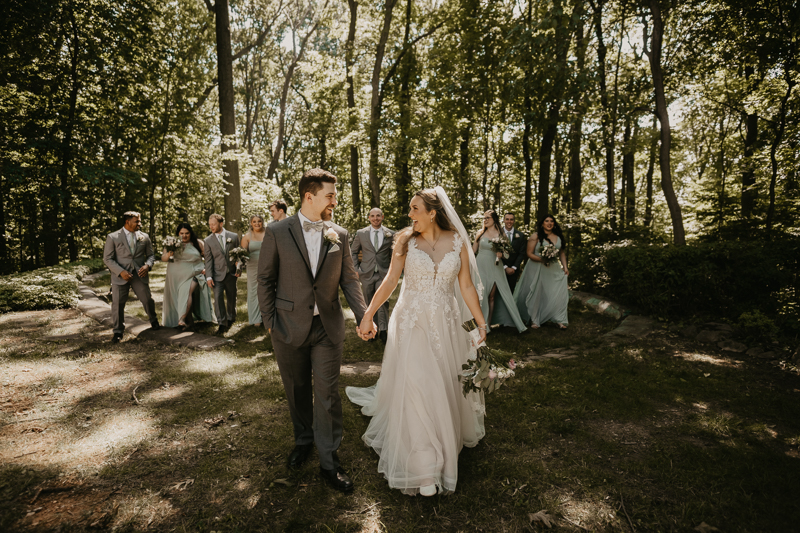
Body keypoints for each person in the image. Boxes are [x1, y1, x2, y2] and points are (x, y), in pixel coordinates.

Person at [346, 187, 488, 497]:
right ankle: (424, 465)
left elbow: (465, 286)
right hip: (411, 321)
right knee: (418, 383)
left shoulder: (458, 242)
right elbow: (390, 281)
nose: (409, 214)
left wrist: (480, 322)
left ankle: (443, 436)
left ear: (432, 212)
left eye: (414, 208)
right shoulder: (404, 241)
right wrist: (368, 314)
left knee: (444, 381)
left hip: (447, 324)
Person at [257, 168, 371, 494]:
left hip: (327, 327)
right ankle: (303, 439)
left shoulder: (340, 234)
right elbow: (265, 278)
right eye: (330, 195)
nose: (335, 200)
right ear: (310, 196)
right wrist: (269, 321)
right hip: (287, 325)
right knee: (295, 390)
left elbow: (349, 279)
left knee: (327, 394)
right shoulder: (278, 231)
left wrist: (364, 316)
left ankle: (329, 460)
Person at [102, 211, 159, 343]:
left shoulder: (144, 237)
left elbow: (151, 255)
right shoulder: (113, 237)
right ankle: (117, 332)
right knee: (117, 304)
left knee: (147, 299)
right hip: (120, 276)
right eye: (137, 221)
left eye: (139, 221)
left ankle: (154, 321)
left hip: (139, 274)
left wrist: (147, 266)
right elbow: (107, 259)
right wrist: (121, 272)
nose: (140, 223)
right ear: (127, 222)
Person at [472, 210, 526, 333]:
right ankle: (477, 323)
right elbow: (473, 250)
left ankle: (488, 325)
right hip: (480, 265)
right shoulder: (480, 233)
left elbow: (508, 255)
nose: (485, 220)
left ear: (494, 219)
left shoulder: (501, 234)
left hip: (495, 266)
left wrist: (502, 254)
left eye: (488, 218)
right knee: (479, 294)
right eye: (484, 218)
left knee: (491, 296)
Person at [514, 214, 569, 329]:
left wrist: (565, 267)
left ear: (554, 224)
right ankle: (535, 320)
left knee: (555, 292)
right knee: (536, 293)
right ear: (542, 223)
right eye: (546, 221)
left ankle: (559, 318)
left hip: (552, 267)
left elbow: (561, 253)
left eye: (552, 221)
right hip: (536, 266)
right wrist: (543, 259)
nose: (549, 223)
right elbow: (529, 253)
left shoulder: (558, 237)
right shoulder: (536, 236)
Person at [351, 208, 395, 343]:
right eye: (372, 216)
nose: (375, 218)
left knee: (383, 302)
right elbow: (353, 252)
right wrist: (356, 269)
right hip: (366, 272)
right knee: (368, 302)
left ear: (382, 217)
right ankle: (371, 330)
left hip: (383, 273)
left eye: (378, 216)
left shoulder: (391, 234)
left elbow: (395, 254)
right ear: (369, 218)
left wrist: (392, 271)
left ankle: (383, 330)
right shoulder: (361, 233)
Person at [161, 223, 215, 330]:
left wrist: (206, 269)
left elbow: (209, 258)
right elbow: (163, 258)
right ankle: (189, 322)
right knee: (182, 294)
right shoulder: (172, 243)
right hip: (176, 276)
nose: (184, 236)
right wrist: (169, 254)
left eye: (187, 233)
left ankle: (182, 318)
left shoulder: (198, 243)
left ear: (191, 233)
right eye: (182, 233)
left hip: (195, 274)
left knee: (186, 291)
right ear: (178, 234)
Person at [204, 214, 241, 334]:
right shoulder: (208, 240)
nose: (211, 227)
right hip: (216, 274)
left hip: (231, 273)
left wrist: (239, 268)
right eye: (210, 225)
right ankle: (221, 323)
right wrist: (209, 276)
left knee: (231, 297)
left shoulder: (234, 237)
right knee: (218, 298)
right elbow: (208, 260)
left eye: (213, 224)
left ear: (221, 224)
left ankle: (231, 317)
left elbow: (239, 255)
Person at [241, 214, 266, 325]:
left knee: (266, 289)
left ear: (262, 222)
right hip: (252, 266)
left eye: (259, 221)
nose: (257, 223)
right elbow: (242, 253)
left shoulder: (268, 233)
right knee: (253, 291)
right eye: (254, 221)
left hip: (267, 265)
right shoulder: (247, 236)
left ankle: (266, 315)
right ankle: (256, 319)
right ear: (251, 223)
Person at [501, 213, 527, 293]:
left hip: (514, 270)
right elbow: (495, 251)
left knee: (511, 292)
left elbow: (522, 253)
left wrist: (514, 268)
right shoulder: (497, 233)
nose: (509, 221)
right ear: (504, 220)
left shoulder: (520, 235)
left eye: (511, 219)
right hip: (500, 268)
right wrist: (505, 267)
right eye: (507, 219)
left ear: (514, 221)